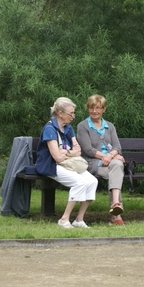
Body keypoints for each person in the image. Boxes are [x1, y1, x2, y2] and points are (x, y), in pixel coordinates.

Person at [35, 97, 98, 229]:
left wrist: (66, 152)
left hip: (68, 163)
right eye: (71, 113)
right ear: (60, 113)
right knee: (80, 182)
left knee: (92, 181)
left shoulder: (68, 128)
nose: (73, 116)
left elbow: (78, 150)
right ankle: (64, 219)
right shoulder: (50, 129)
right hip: (51, 165)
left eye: (73, 113)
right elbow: (57, 157)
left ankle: (79, 219)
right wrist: (69, 152)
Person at [76, 94, 126, 225]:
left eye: (98, 108)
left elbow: (117, 147)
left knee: (116, 166)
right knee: (117, 169)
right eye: (91, 108)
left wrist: (111, 156)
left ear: (104, 109)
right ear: (88, 108)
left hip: (110, 162)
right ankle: (116, 214)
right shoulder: (83, 126)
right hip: (92, 163)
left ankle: (115, 205)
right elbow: (88, 150)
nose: (94, 111)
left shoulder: (109, 126)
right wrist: (109, 156)